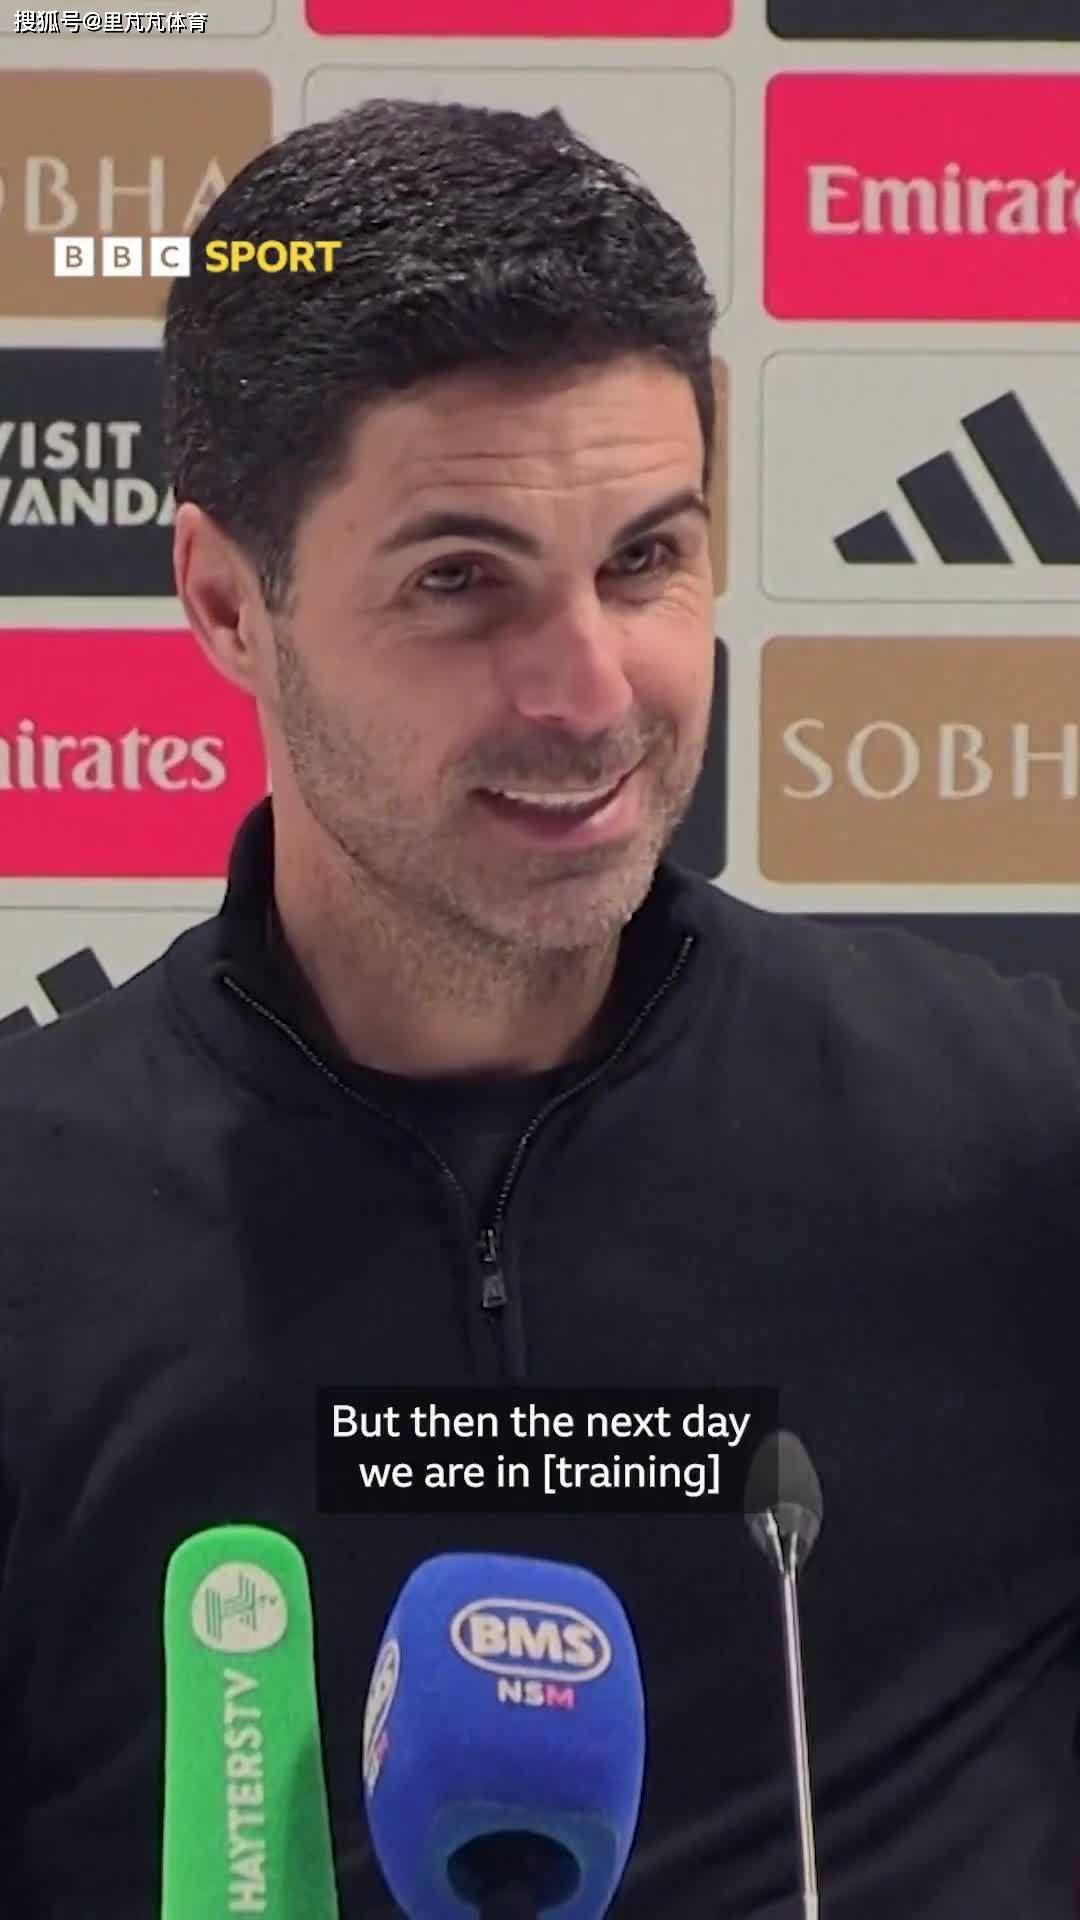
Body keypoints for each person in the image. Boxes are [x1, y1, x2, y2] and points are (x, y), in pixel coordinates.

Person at [0, 96, 1078, 1920]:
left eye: (643, 561)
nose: (587, 694)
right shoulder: (32, 1228)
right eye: (460, 581)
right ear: (226, 601)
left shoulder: (1016, 1144)